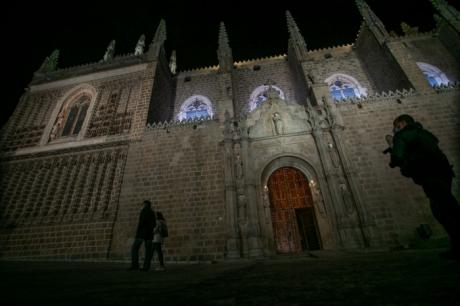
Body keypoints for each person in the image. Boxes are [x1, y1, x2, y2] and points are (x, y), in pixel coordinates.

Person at [387, 114, 460, 260]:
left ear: (402, 124)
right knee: (449, 206)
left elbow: (397, 157)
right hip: (444, 172)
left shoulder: (402, 135)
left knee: (441, 210)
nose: (395, 129)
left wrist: (392, 148)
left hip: (429, 174)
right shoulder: (424, 133)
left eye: (396, 126)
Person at [128, 200, 156, 271]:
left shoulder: (143, 211)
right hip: (150, 234)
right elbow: (154, 224)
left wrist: (139, 230)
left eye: (143, 204)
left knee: (135, 248)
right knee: (148, 251)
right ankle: (146, 267)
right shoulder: (152, 213)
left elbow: (141, 222)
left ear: (145, 204)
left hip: (142, 233)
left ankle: (135, 266)